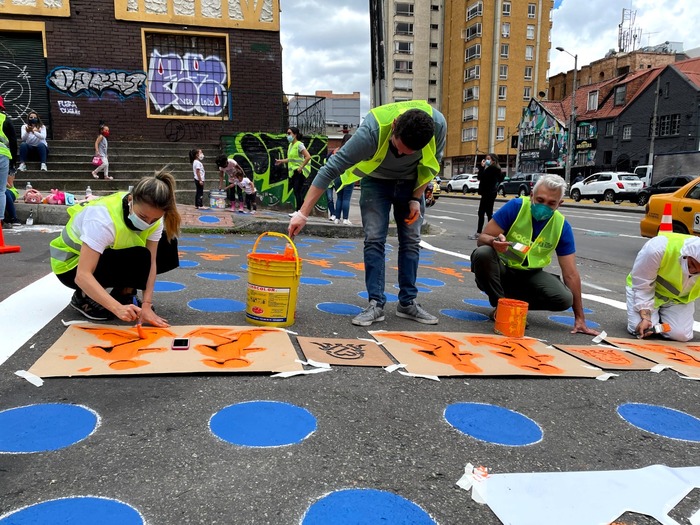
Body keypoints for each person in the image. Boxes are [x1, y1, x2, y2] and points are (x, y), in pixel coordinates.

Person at [288, 101, 446, 327]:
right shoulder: (372, 130)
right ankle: (376, 304)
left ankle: (407, 303)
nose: (401, 154)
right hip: (376, 182)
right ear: (394, 126)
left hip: (412, 183)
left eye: (409, 152)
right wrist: (303, 213)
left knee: (411, 241)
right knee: (374, 240)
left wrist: (415, 198)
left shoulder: (438, 125)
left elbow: (433, 164)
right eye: (398, 147)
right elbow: (330, 169)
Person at [470, 173, 597, 335]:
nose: (544, 206)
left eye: (551, 203)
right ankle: (502, 308)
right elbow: (482, 238)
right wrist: (494, 242)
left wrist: (580, 318)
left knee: (564, 298)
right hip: (501, 270)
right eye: (540, 200)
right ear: (531, 196)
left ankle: (513, 303)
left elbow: (571, 274)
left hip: (530, 276)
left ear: (560, 204)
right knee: (483, 253)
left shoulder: (561, 227)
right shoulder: (516, 207)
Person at [49, 169, 181, 325]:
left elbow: (151, 262)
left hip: (105, 257)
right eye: (143, 217)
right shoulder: (102, 219)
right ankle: (84, 296)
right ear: (131, 200)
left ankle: (124, 292)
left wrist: (147, 305)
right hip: (70, 267)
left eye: (154, 219)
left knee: (166, 247)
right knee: (139, 254)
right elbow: (82, 275)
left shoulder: (153, 217)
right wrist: (117, 308)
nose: (147, 223)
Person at [626, 232, 700, 342]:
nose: (694, 271)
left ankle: (660, 320)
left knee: (681, 335)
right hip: (649, 292)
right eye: (691, 265)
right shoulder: (658, 248)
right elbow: (642, 284)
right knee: (640, 328)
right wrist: (645, 317)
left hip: (678, 301)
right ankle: (653, 318)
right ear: (687, 255)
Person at [275, 126, 311, 215]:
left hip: (299, 172)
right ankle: (301, 211)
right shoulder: (291, 145)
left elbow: (308, 156)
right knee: (296, 191)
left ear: (295, 135)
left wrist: (301, 167)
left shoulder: (299, 144)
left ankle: (299, 211)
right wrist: (281, 161)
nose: (287, 135)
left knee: (297, 191)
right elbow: (291, 159)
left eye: (289, 133)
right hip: (294, 172)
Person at [469, 153, 502, 240]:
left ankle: (485, 232)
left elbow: (483, 177)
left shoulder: (494, 169)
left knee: (485, 213)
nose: (486, 160)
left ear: (493, 160)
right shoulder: (489, 168)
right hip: (486, 193)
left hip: (490, 193)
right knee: (484, 213)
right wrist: (483, 167)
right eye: (486, 159)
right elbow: (480, 177)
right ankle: (486, 232)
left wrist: (483, 167)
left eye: (488, 159)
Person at [0, 95, 18, 231]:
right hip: (3, 155)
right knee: (1, 190)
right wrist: (13, 164)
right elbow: (13, 142)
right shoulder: (5, 120)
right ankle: (1, 221)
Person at [331, 134, 355, 225]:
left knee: (339, 198)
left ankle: (337, 218)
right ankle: (345, 219)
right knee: (346, 198)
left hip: (337, 176)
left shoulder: (337, 150)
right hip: (348, 177)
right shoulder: (353, 151)